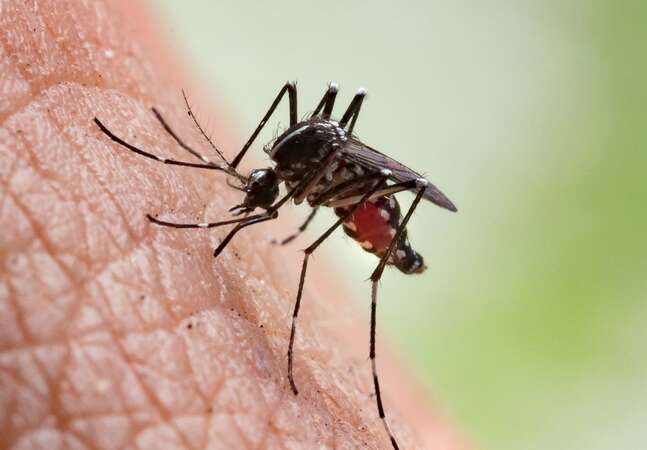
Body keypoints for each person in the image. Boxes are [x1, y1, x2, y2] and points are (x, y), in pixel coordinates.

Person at [0, 1, 466, 448]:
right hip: (335, 173)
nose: (255, 196)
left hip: (371, 200)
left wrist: (306, 240)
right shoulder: (288, 162)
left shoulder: (298, 165)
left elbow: (374, 173)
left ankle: (376, 381)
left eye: (257, 187)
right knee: (300, 97)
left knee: (328, 203)